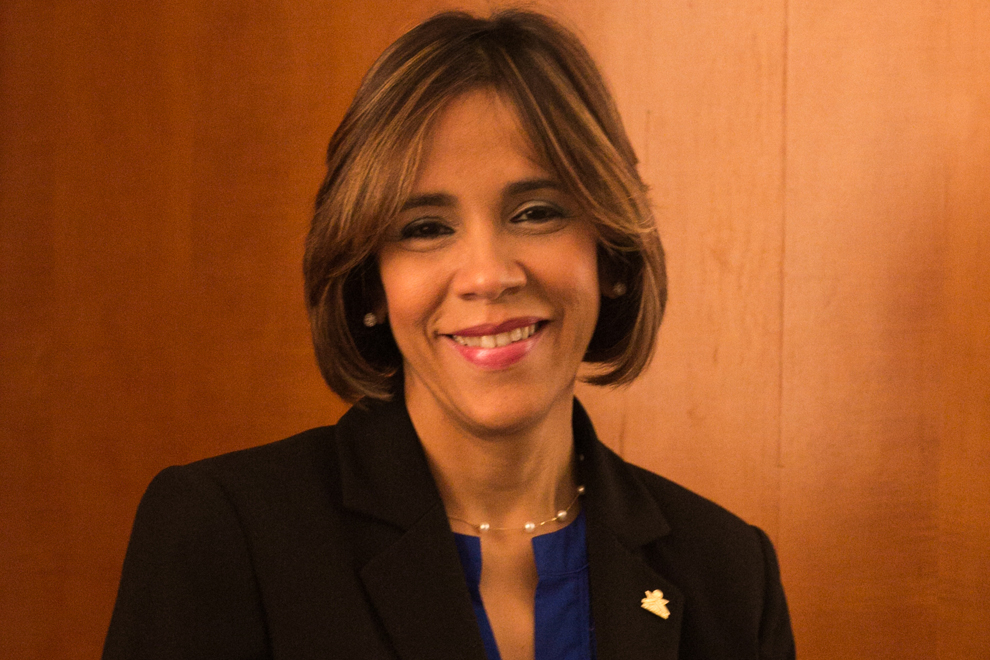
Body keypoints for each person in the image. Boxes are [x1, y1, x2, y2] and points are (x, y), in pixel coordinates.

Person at [103, 9, 795, 660]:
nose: (488, 275)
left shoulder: (729, 573)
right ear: (371, 284)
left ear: (610, 253)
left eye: (536, 212)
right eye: (426, 228)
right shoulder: (225, 534)